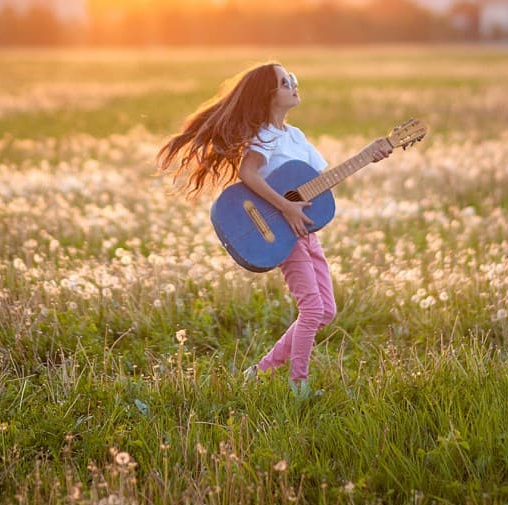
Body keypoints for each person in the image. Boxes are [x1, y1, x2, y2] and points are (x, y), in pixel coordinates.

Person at [157, 61, 391, 398]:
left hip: (305, 231)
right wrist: (285, 206)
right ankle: (298, 385)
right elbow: (247, 174)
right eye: (285, 82)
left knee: (327, 310)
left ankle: (260, 371)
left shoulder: (295, 137)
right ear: (269, 95)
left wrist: (369, 155)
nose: (294, 85)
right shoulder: (263, 136)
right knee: (311, 309)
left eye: (292, 79)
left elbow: (320, 181)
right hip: (279, 232)